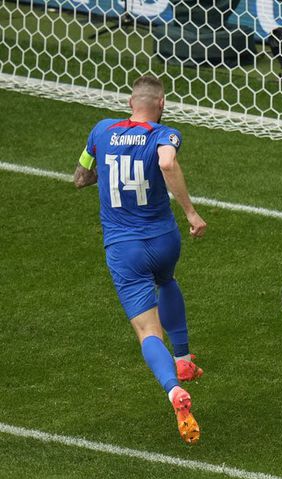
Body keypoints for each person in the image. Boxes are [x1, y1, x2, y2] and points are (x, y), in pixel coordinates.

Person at [73, 74, 207, 444]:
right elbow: (166, 164)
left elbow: (81, 176)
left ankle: (173, 390)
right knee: (166, 280)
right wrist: (192, 213)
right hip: (164, 240)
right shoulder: (165, 134)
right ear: (160, 105)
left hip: (124, 248)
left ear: (130, 103)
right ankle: (183, 356)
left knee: (148, 332)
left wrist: (102, 174)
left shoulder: (101, 130)